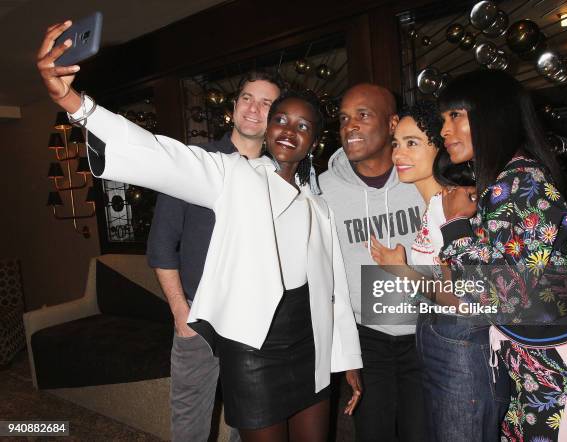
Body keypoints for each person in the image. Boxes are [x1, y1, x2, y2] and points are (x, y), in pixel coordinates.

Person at [37, 21, 362, 442]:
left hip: (309, 346)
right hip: (252, 349)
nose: (289, 130)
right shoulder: (231, 173)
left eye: (302, 126)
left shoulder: (319, 207)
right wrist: (73, 102)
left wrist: (347, 358)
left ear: (313, 141)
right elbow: (159, 155)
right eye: (282, 119)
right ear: (267, 126)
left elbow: (332, 291)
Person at [437, 70, 567, 440]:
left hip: (564, 368)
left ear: (493, 115)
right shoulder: (506, 182)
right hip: (535, 363)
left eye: (456, 115)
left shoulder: (524, 182)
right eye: (443, 119)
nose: (444, 131)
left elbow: (503, 296)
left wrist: (455, 226)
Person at [147, 71, 283, 442]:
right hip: (199, 318)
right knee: (189, 425)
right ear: (235, 107)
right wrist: (180, 311)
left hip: (255, 322)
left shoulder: (278, 175)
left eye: (266, 102)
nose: (254, 108)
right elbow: (161, 245)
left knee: (250, 423)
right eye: (247, 98)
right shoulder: (194, 162)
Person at [368, 102, 510, 441]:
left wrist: (401, 271)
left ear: (440, 147)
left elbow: (471, 301)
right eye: (396, 143)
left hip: (464, 348)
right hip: (439, 341)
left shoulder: (458, 202)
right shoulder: (436, 204)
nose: (398, 153)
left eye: (412, 142)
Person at [318, 83, 426, 441]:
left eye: (362, 115)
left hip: (426, 333)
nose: (350, 126)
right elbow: (326, 275)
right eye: (344, 118)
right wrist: (344, 349)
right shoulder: (323, 189)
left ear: (393, 122)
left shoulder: (423, 177)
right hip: (368, 338)